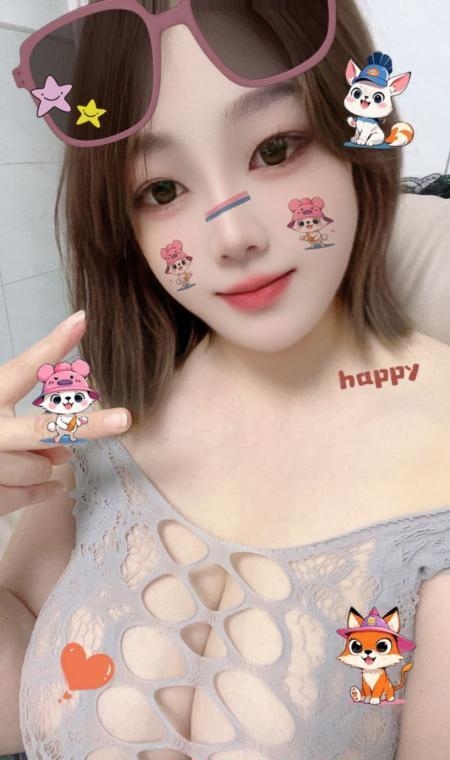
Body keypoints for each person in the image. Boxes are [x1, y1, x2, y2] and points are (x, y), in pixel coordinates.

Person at [1, 1, 449, 759]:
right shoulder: (104, 406)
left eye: (276, 149)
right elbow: (20, 701)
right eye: (162, 190)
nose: (233, 236)